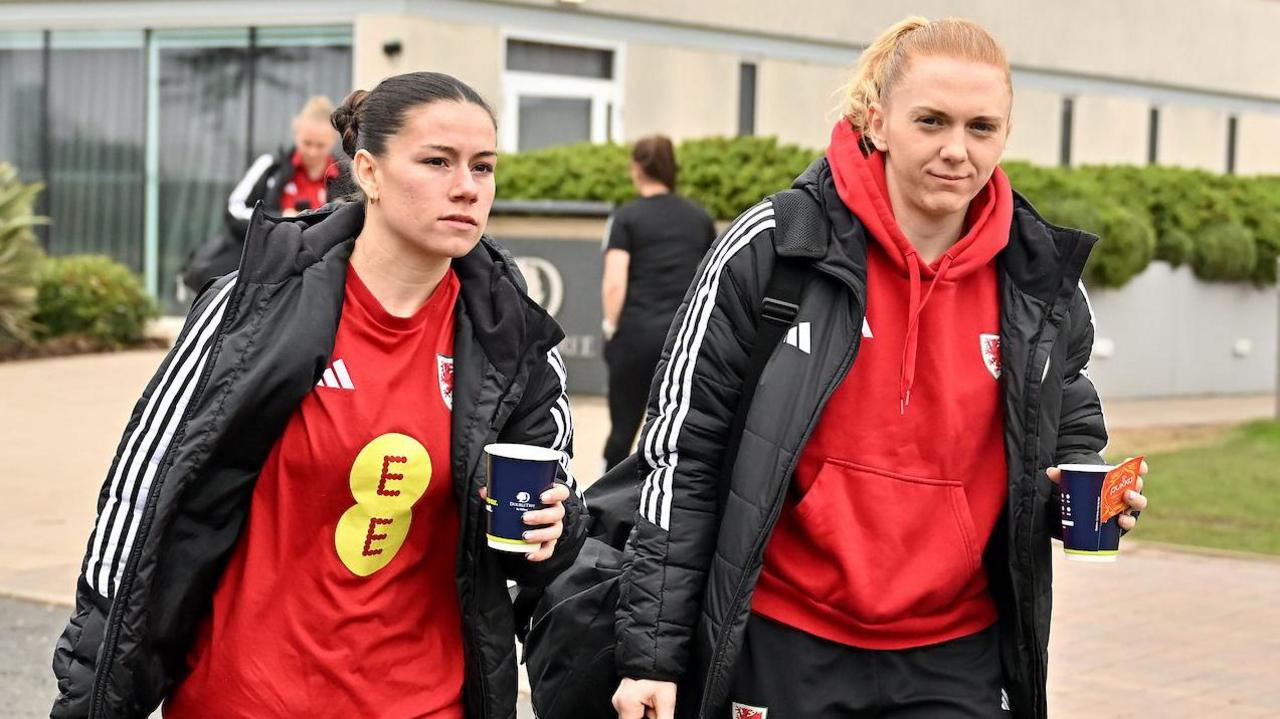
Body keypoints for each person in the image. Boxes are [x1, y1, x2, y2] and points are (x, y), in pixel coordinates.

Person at [611, 16, 1149, 719]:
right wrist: (650, 657)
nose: (957, 150)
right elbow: (683, 456)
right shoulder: (776, 249)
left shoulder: (1038, 278)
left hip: (955, 654)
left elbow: (1066, 422)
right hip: (786, 638)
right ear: (878, 120)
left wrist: (1077, 493)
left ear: (1005, 136)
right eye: (931, 121)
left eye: (981, 128)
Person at [51, 71, 586, 719]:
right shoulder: (251, 309)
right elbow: (141, 508)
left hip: (424, 701)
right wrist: (91, 699)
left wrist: (551, 530)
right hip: (247, 698)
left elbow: (546, 539)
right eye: (437, 162)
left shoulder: (515, 339)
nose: (467, 187)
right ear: (369, 171)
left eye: (483, 166)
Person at [600, 135, 715, 470]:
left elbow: (614, 281)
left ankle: (600, 507)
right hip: (683, 342)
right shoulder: (699, 218)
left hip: (635, 338)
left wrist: (610, 327)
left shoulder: (626, 217)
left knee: (622, 431)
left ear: (637, 169)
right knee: (675, 432)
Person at [180, 96, 345, 296]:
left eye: (320, 145)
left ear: (333, 141)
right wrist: (281, 217)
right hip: (265, 276)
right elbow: (233, 210)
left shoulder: (345, 180)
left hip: (319, 280)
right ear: (296, 135)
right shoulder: (270, 168)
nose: (312, 151)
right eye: (306, 143)